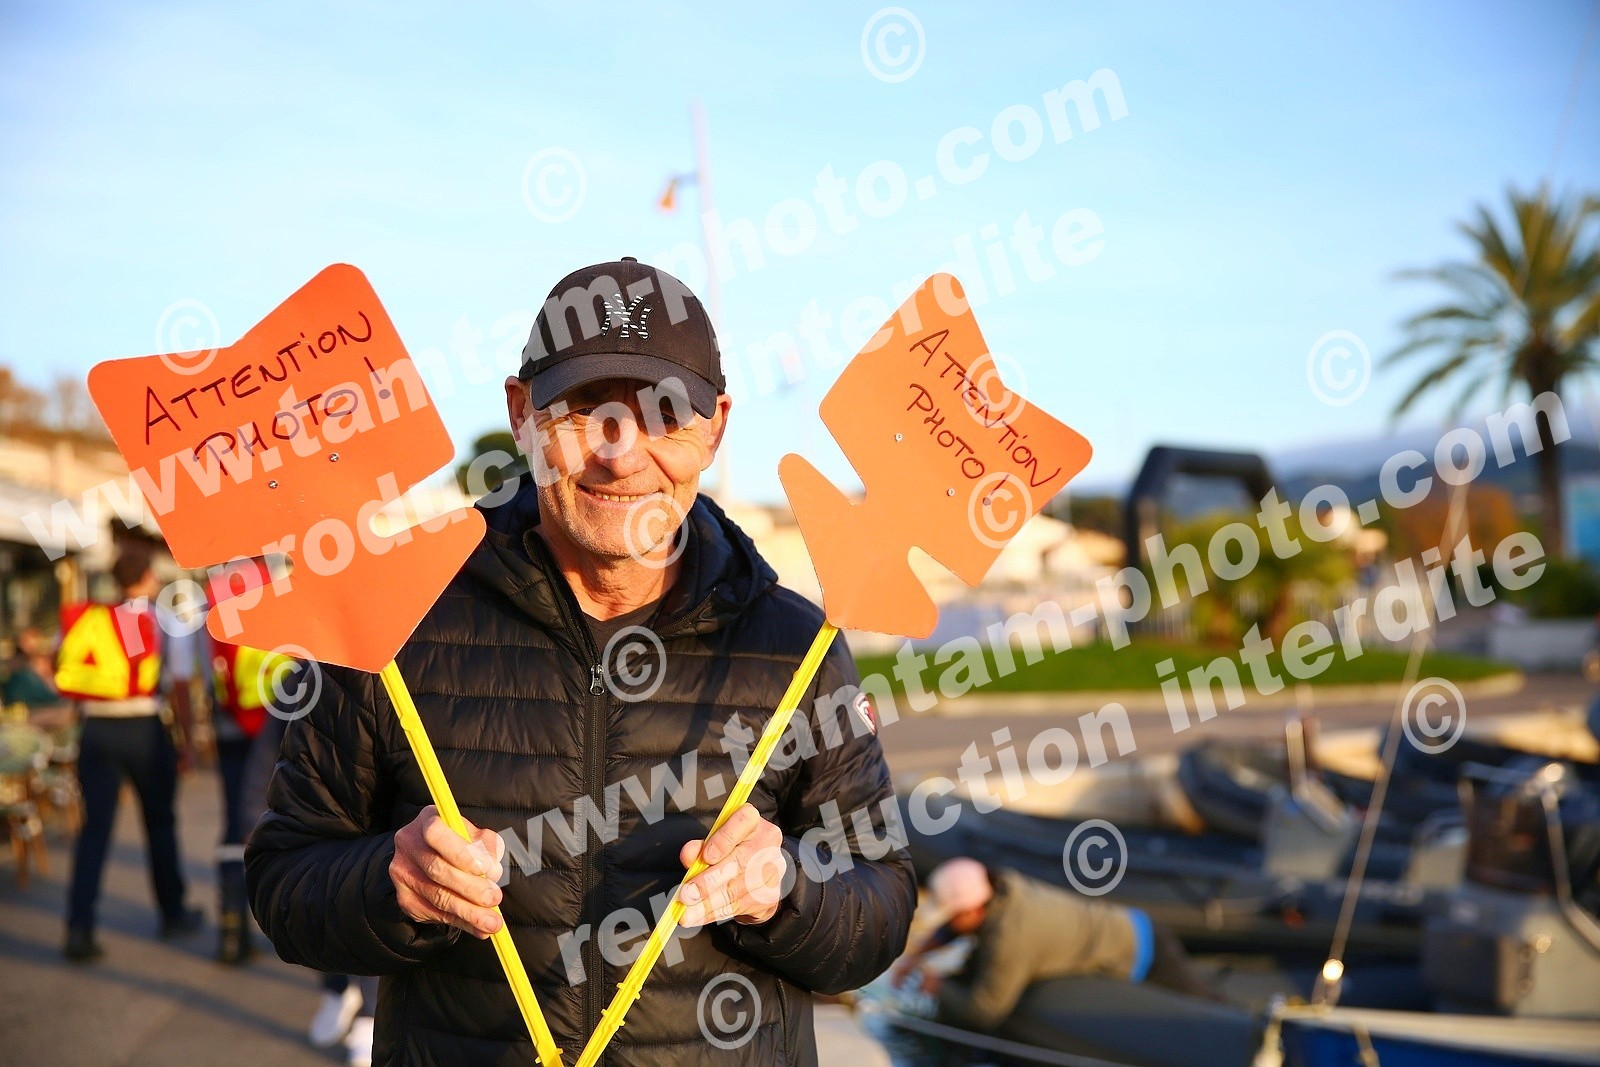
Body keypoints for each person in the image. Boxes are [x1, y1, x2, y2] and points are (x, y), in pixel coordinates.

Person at [246, 257, 916, 1065]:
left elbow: (881, 903)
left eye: (666, 414)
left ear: (715, 427)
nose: (621, 453)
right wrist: (388, 881)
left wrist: (787, 889)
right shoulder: (395, 625)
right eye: (583, 410)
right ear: (520, 413)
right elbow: (285, 882)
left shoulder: (796, 648)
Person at [58, 548, 203, 961]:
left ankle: (79, 927)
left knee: (94, 830)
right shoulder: (161, 621)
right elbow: (179, 684)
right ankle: (172, 913)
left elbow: (66, 670)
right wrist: (188, 742)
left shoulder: (91, 618)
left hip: (96, 729)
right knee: (160, 823)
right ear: (146, 578)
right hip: (144, 729)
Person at [894, 858, 1220, 1031]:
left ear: (973, 909)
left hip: (1143, 949)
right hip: (1130, 924)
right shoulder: (1004, 886)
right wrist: (915, 957)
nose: (950, 923)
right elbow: (955, 928)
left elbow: (986, 1012)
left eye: (953, 915)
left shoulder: (1011, 939)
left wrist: (937, 986)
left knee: (1208, 1015)